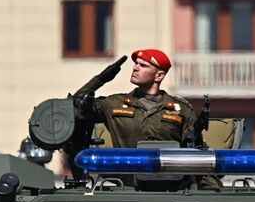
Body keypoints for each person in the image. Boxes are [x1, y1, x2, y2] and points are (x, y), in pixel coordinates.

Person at [72, 49, 200, 148]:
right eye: (136, 64)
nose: (135, 68)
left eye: (143, 65)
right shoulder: (113, 104)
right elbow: (72, 107)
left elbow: (196, 150)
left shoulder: (182, 109)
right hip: (126, 181)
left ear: (159, 76)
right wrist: (100, 79)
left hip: (171, 180)